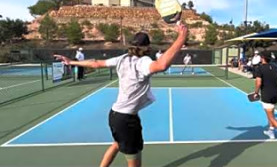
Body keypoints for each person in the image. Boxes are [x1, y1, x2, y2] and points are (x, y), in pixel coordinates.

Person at [54, 24, 188, 167]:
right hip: (126, 120)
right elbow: (161, 65)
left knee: (117, 144)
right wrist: (181, 37)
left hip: (115, 115)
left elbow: (96, 63)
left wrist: (71, 62)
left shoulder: (122, 58)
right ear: (147, 47)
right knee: (134, 160)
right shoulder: (143, 62)